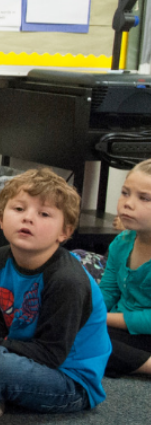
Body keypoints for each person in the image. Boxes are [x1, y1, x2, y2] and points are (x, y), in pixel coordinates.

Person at [0, 168, 111, 414]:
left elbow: (51, 353)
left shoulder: (67, 280)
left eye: (44, 214)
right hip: (22, 355)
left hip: (69, 381)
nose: (28, 218)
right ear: (1, 219)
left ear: (64, 232)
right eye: (19, 209)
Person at [101, 158, 151, 377]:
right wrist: (91, 312)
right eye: (124, 193)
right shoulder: (122, 242)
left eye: (144, 198)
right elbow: (108, 290)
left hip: (144, 331)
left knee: (81, 340)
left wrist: (102, 319)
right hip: (120, 326)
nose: (127, 203)